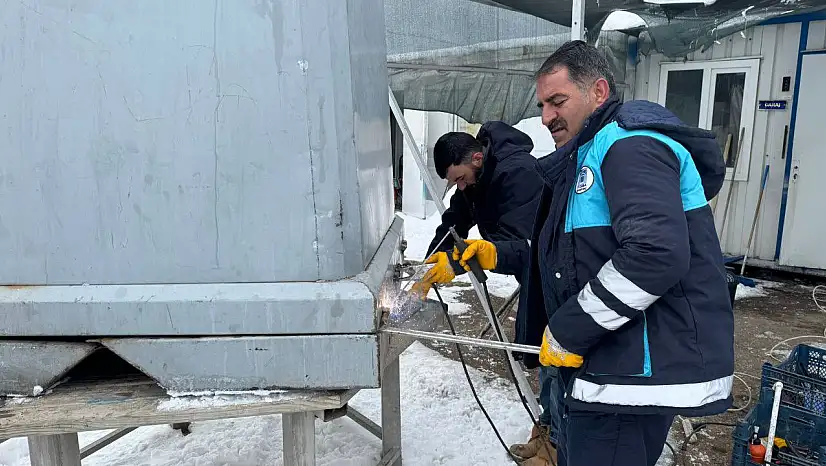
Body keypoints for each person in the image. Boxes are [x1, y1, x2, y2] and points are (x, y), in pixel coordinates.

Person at [455, 40, 735, 466]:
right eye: (542, 105)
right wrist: (496, 254)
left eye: (557, 101)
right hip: (606, 366)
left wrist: (569, 330)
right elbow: (572, 257)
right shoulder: (586, 156)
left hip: (626, 380)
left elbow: (654, 254)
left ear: (598, 92)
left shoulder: (629, 146)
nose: (546, 116)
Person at [411, 122, 556, 465]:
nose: (460, 186)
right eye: (455, 182)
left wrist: (462, 262)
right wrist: (431, 263)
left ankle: (556, 448)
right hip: (532, 277)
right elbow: (454, 222)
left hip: (552, 278)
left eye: (460, 178)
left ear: (476, 158)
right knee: (543, 358)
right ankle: (547, 431)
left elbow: (526, 248)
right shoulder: (477, 178)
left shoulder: (517, 174)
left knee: (555, 359)